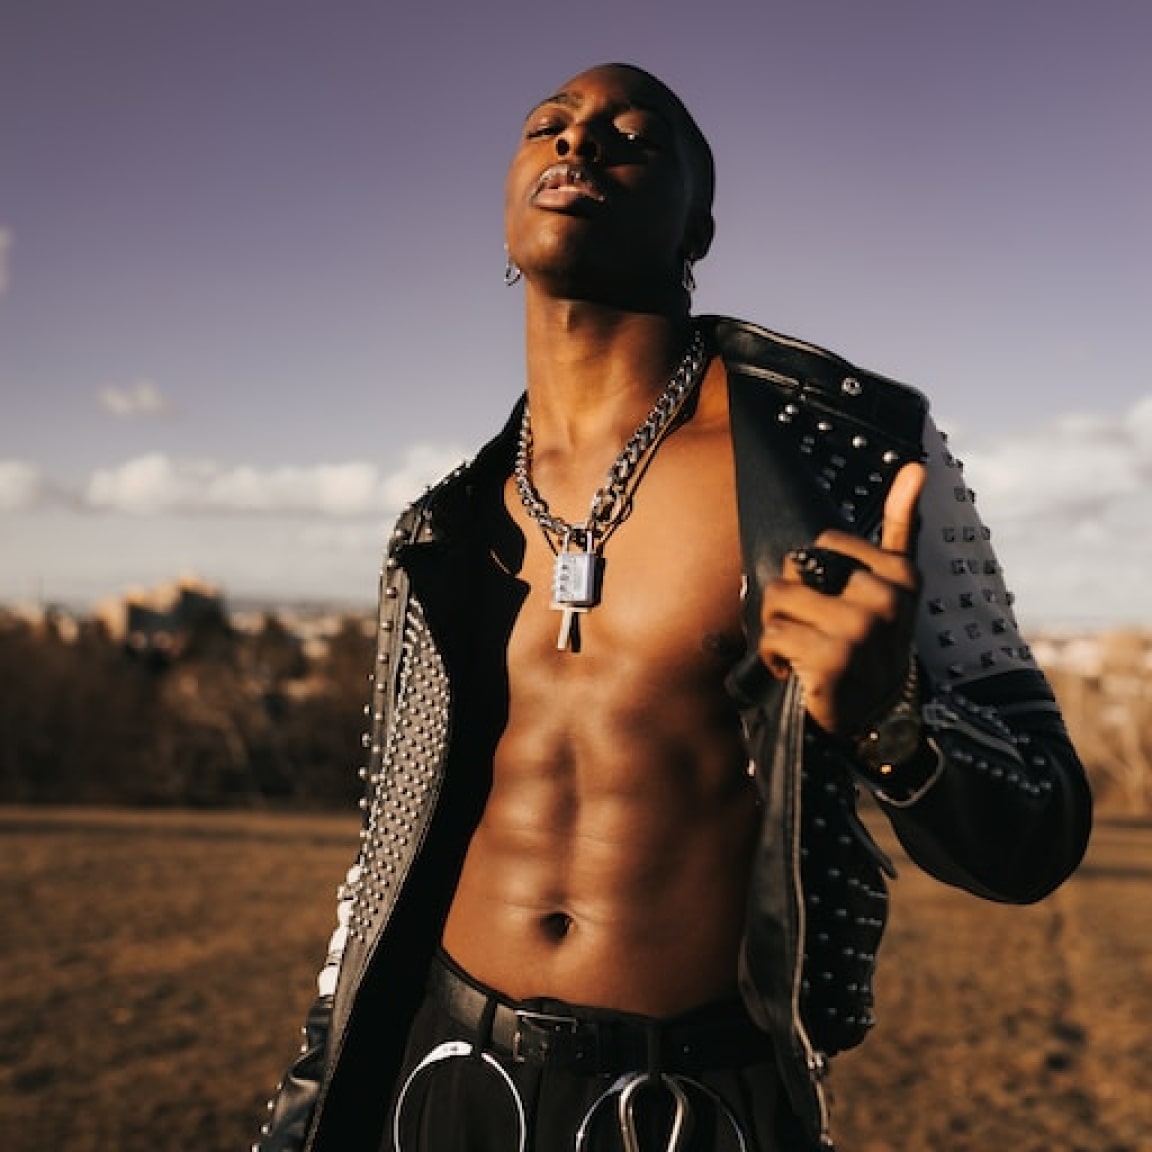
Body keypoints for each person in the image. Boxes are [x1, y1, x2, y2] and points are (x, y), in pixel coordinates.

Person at [255, 63, 1092, 1152]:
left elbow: (1041, 830)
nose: (577, 143)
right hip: (441, 1075)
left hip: (691, 1105)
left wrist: (889, 726)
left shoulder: (853, 454)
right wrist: (309, 1102)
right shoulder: (445, 529)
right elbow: (385, 858)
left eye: (633, 136)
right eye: (547, 127)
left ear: (699, 226)